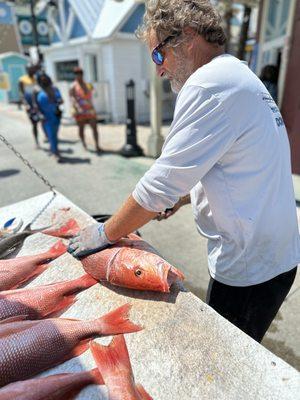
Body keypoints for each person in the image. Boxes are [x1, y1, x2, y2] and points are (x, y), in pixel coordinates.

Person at [68, 0, 300, 343]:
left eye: (158, 55)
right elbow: (237, 168)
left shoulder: (208, 85)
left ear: (187, 37)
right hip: (276, 256)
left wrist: (104, 234)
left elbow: (158, 186)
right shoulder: (237, 74)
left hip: (251, 266)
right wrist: (185, 197)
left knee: (221, 356)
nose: (159, 70)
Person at [69, 67, 101, 153]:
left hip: (89, 109)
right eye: (77, 74)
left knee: (94, 127)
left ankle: (97, 145)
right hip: (79, 110)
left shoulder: (88, 84)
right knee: (81, 128)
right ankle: (83, 144)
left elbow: (94, 94)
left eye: (80, 74)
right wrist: (76, 106)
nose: (79, 76)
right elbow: (72, 98)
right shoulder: (73, 86)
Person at [35, 73, 63, 162]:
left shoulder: (54, 89)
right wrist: (40, 115)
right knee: (51, 135)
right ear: (39, 81)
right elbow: (35, 105)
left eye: (46, 79)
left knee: (55, 134)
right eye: (42, 80)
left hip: (56, 115)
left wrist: (57, 101)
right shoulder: (37, 91)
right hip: (45, 117)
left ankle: (53, 148)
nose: (44, 81)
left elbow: (61, 100)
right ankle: (56, 153)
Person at [19, 64, 40, 148]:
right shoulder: (22, 80)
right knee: (34, 123)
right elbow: (21, 93)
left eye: (33, 69)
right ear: (27, 70)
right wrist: (26, 104)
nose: (33, 71)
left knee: (43, 120)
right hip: (30, 105)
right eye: (31, 69)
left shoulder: (36, 79)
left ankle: (47, 136)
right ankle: (36, 141)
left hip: (38, 103)